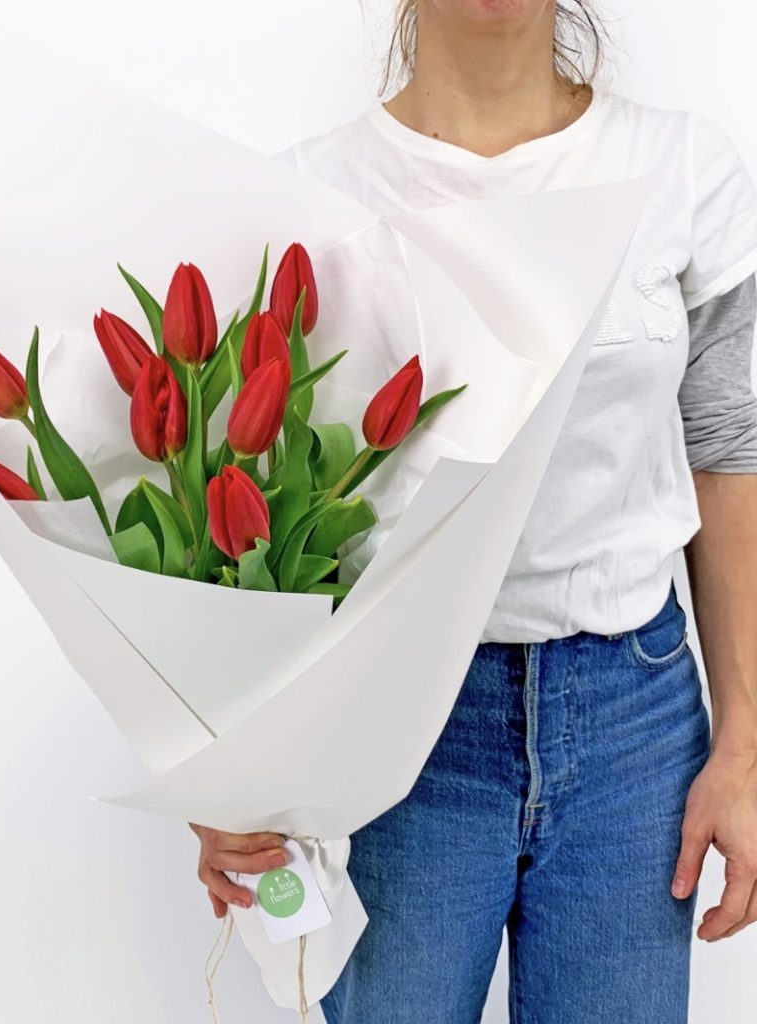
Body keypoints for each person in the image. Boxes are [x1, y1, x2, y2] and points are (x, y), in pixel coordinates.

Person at [190, 2, 757, 1020]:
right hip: (398, 739)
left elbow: (730, 450)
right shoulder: (309, 193)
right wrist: (240, 774)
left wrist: (747, 743)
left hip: (633, 725)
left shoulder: (683, 168)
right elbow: (252, 514)